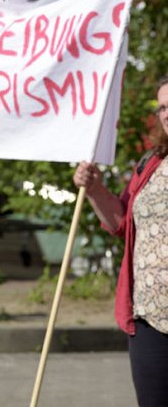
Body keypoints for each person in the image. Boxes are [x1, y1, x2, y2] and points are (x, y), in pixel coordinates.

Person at [73, 75, 168, 406]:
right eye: (162, 107)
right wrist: (94, 188)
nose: (167, 114)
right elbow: (120, 223)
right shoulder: (151, 162)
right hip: (149, 317)